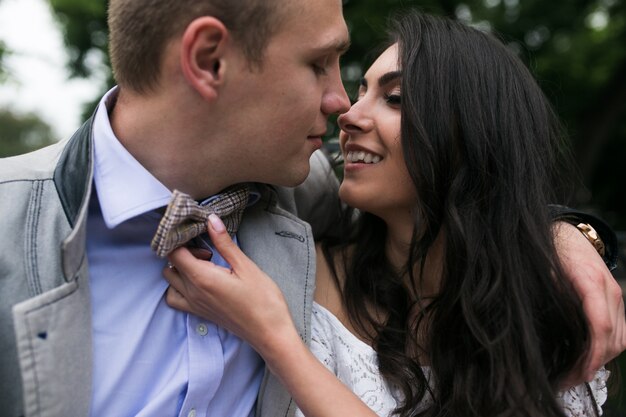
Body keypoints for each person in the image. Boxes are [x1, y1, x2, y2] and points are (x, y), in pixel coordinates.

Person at [0, 1, 622, 416]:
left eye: (393, 96)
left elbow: (484, 199)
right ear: (208, 60)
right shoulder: (13, 226)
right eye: (320, 64)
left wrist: (567, 234)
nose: (342, 106)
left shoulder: (291, 205)